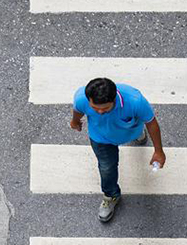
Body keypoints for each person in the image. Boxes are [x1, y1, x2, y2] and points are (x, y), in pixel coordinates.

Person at [70, 77, 166, 222]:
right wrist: (75, 121)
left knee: (135, 126)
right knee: (107, 168)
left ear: (114, 99)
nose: (100, 112)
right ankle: (111, 195)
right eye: (95, 108)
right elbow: (78, 110)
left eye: (105, 108)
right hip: (101, 139)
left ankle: (137, 133)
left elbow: (151, 123)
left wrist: (158, 151)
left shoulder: (135, 101)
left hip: (130, 131)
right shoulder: (81, 98)